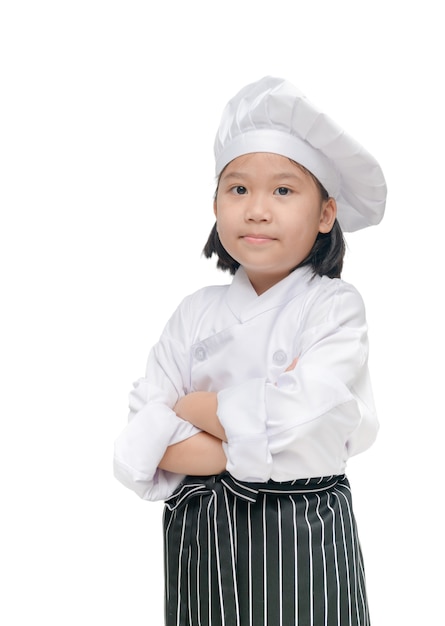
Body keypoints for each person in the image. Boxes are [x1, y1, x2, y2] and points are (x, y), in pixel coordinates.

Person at [114, 76, 387, 626]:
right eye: (238, 190)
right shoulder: (194, 311)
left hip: (302, 532)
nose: (257, 210)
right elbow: (141, 430)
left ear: (326, 214)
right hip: (202, 538)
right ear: (215, 203)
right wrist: (251, 427)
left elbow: (311, 417)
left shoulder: (334, 307)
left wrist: (194, 412)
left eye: (283, 191)